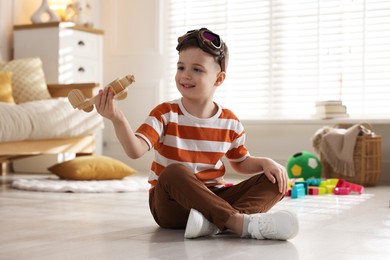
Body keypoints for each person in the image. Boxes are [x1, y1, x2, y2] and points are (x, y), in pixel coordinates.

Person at [95, 28, 299, 240]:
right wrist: (118, 119)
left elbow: (240, 163)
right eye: (181, 67)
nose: (185, 75)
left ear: (218, 79)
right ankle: (237, 221)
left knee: (276, 180)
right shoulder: (165, 113)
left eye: (197, 69)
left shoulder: (230, 122)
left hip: (213, 197)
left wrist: (266, 163)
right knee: (173, 172)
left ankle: (216, 224)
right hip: (171, 205)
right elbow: (135, 150)